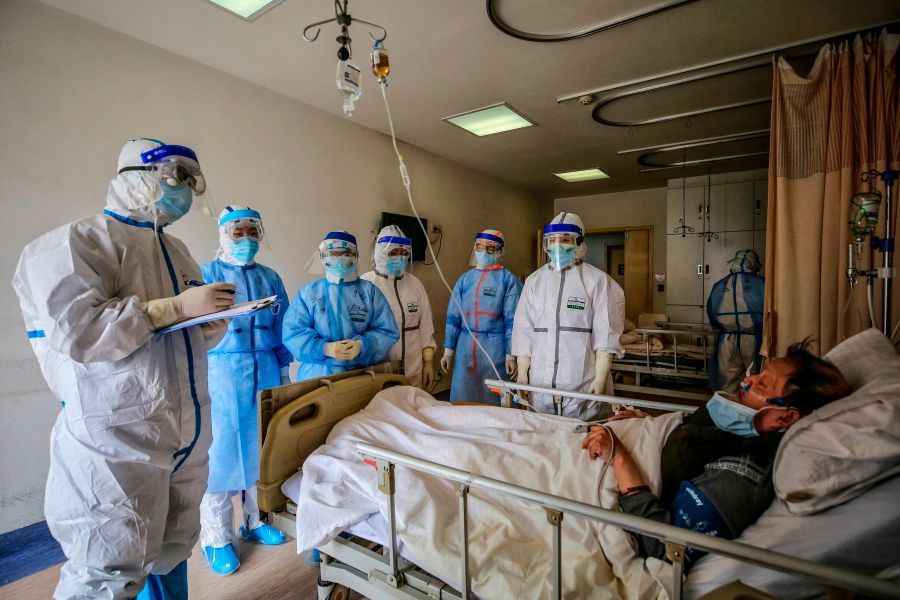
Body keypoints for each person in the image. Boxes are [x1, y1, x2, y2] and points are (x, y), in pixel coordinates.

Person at [12, 138, 234, 599]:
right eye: (177, 175)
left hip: (183, 436)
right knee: (108, 569)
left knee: (172, 549)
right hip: (115, 442)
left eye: (193, 181)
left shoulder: (176, 251)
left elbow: (189, 337)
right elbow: (81, 334)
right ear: (134, 176)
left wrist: (213, 319)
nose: (187, 190)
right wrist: (172, 307)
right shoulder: (75, 243)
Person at [582, 340, 850, 568]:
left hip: (598, 467)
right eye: (758, 374)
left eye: (763, 384)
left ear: (785, 418)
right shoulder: (734, 434)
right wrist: (644, 420)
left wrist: (618, 454)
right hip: (604, 441)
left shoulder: (742, 476)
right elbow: (688, 436)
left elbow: (665, 549)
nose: (747, 380)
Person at [198, 206, 292, 575]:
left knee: (262, 450)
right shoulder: (206, 274)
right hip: (222, 371)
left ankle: (255, 521)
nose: (247, 239)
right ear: (223, 234)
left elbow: (283, 324)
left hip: (266, 367)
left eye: (253, 231)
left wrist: (284, 369)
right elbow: (193, 327)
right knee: (221, 456)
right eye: (239, 232)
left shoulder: (270, 277)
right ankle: (215, 536)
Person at [512, 212, 625, 420]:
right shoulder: (534, 281)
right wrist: (522, 373)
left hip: (582, 381)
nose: (557, 246)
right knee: (542, 435)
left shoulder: (598, 282)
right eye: (553, 241)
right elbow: (523, 329)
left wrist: (600, 378)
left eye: (565, 240)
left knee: (582, 440)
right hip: (540, 383)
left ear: (579, 243)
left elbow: (606, 335)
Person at [282, 230, 399, 380]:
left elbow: (387, 331)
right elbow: (292, 332)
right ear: (323, 257)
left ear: (355, 256)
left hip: (361, 374)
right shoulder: (309, 293)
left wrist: (362, 346)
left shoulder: (369, 292)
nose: (340, 258)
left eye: (346, 253)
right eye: (334, 253)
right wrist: (324, 348)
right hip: (317, 376)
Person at [440, 229, 522, 405]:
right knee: (464, 398)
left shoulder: (507, 280)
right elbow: (454, 317)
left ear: (499, 251)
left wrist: (511, 355)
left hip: (495, 349)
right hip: (466, 348)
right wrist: (448, 351)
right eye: (479, 246)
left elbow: (513, 321)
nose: (483, 252)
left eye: (490, 248)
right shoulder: (465, 279)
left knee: (495, 398)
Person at [361, 225, 437, 389]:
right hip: (378, 371)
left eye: (403, 253)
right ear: (381, 253)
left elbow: (425, 327)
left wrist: (428, 363)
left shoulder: (415, 284)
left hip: (413, 369)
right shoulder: (366, 284)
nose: (400, 258)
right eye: (393, 253)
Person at [707, 249, 765, 391]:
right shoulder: (762, 284)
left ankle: (728, 409)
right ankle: (751, 411)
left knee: (727, 382)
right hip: (752, 339)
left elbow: (711, 313)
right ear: (754, 264)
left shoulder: (720, 285)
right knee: (755, 381)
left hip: (727, 339)